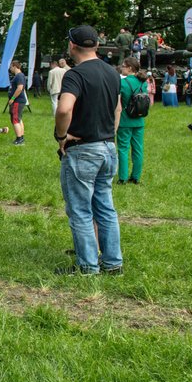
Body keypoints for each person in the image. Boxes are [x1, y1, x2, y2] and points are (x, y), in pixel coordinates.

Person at [54, 24, 123, 275]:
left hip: (82, 149)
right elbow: (118, 109)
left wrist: (61, 136)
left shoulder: (75, 74)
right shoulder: (113, 73)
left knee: (81, 210)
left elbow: (64, 109)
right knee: (105, 207)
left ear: (73, 45)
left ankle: (88, 266)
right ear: (95, 45)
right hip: (108, 147)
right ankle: (113, 263)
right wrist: (108, 134)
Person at [116, 58, 146, 185]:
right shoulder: (143, 83)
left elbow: (118, 105)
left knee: (123, 149)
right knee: (138, 149)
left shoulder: (122, 83)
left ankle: (122, 177)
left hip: (125, 120)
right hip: (139, 120)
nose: (121, 68)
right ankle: (136, 177)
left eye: (123, 66)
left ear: (130, 68)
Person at [7, 60, 27, 145]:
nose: (10, 69)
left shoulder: (19, 76)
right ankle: (21, 137)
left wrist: (12, 98)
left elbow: (20, 88)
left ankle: (19, 139)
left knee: (15, 119)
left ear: (14, 66)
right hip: (18, 101)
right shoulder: (19, 76)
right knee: (18, 119)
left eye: (11, 67)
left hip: (17, 101)